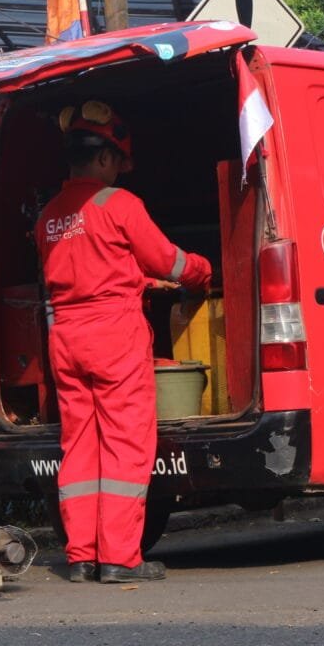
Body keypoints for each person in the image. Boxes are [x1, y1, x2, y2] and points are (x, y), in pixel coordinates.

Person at [35, 100, 212, 584]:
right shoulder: (120, 205)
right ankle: (119, 558)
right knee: (124, 443)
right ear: (106, 158)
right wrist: (203, 270)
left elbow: (85, 267)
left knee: (79, 445)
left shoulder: (49, 216)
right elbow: (166, 261)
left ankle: (81, 557)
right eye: (118, 163)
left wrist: (133, 279)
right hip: (114, 334)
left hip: (66, 338)